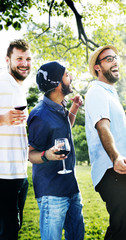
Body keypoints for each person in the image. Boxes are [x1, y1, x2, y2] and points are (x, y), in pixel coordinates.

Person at [27, 61, 85, 240]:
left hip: (71, 187)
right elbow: (31, 154)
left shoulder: (60, 107)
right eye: (67, 75)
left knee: (76, 236)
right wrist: (47, 155)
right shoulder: (40, 115)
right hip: (51, 194)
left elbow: (63, 131)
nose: (71, 78)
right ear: (57, 83)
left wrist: (74, 107)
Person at [85, 45, 126, 240]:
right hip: (111, 169)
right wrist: (115, 158)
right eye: (108, 59)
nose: (115, 61)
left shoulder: (110, 93)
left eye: (116, 57)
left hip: (119, 168)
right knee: (123, 230)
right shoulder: (97, 91)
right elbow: (103, 127)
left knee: (120, 228)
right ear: (98, 67)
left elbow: (116, 126)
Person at [0, 39, 31, 239]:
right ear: (7, 60)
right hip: (2, 175)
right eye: (19, 58)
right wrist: (2, 118)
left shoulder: (19, 87)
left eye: (28, 59)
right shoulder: (1, 81)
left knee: (13, 230)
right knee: (8, 232)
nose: (24, 63)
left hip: (19, 172)